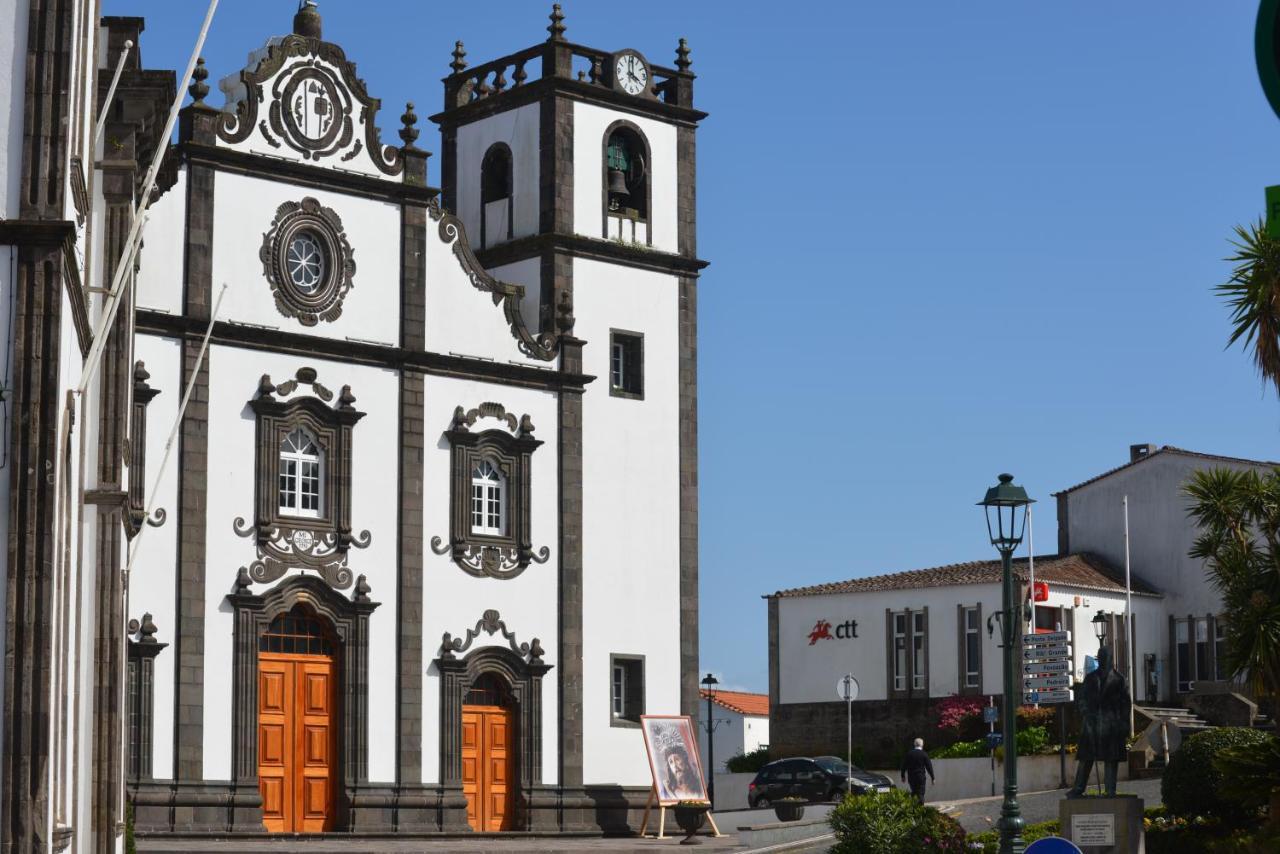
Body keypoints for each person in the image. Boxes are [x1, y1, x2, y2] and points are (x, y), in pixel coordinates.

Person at [1067, 644, 1131, 797]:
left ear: (1110, 659)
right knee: (1086, 758)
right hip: (1092, 723)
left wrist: (1124, 723)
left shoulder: (1119, 679)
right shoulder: (1090, 678)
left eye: (1104, 657)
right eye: (1100, 657)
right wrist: (1085, 712)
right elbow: (1081, 699)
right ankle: (1078, 788)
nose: (1102, 660)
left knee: (1111, 759)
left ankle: (1110, 790)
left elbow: (1126, 703)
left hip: (1111, 726)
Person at [900, 738, 935, 803]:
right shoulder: (924, 754)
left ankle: (913, 808)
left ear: (914, 744)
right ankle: (920, 809)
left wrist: (903, 776)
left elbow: (903, 766)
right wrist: (932, 777)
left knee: (914, 791)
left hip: (911, 777)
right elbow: (929, 767)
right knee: (921, 793)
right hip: (920, 777)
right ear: (922, 745)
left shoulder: (909, 754)